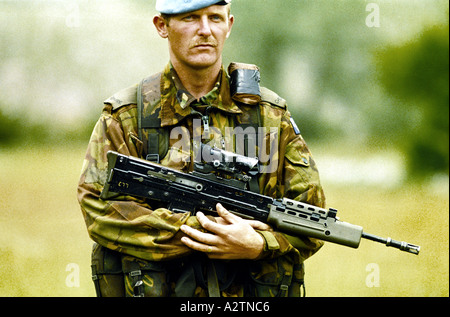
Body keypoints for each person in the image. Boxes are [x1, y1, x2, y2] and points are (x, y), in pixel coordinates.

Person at [77, 0, 326, 297]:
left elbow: (314, 218)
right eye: (191, 18)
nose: (205, 30)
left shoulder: (269, 115)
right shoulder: (129, 116)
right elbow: (99, 205)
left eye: (215, 18)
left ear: (229, 26)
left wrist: (259, 244)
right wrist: (200, 232)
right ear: (162, 26)